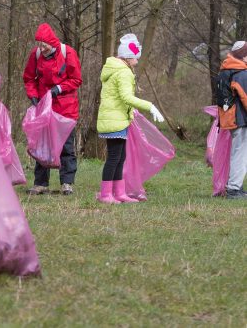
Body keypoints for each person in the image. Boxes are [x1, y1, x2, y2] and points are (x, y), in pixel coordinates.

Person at [96, 34, 164, 204]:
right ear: (128, 56)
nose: (137, 60)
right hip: (115, 120)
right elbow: (126, 97)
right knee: (114, 158)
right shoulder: (123, 72)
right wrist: (150, 106)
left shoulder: (117, 69)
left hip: (116, 119)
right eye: (135, 56)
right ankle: (106, 195)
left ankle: (119, 193)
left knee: (120, 157)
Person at [23, 23, 82, 195]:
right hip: (44, 107)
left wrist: (59, 89)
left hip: (65, 108)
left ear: (52, 43)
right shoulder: (36, 55)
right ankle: (41, 183)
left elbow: (76, 79)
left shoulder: (68, 53)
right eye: (39, 44)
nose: (41, 48)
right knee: (42, 146)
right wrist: (33, 95)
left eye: (44, 45)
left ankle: (67, 183)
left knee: (66, 146)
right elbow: (29, 78)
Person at [217, 41, 247, 199]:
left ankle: (236, 187)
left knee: (239, 153)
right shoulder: (240, 72)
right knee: (240, 154)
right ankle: (234, 189)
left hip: (231, 118)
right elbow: (245, 97)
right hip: (239, 119)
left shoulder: (226, 69)